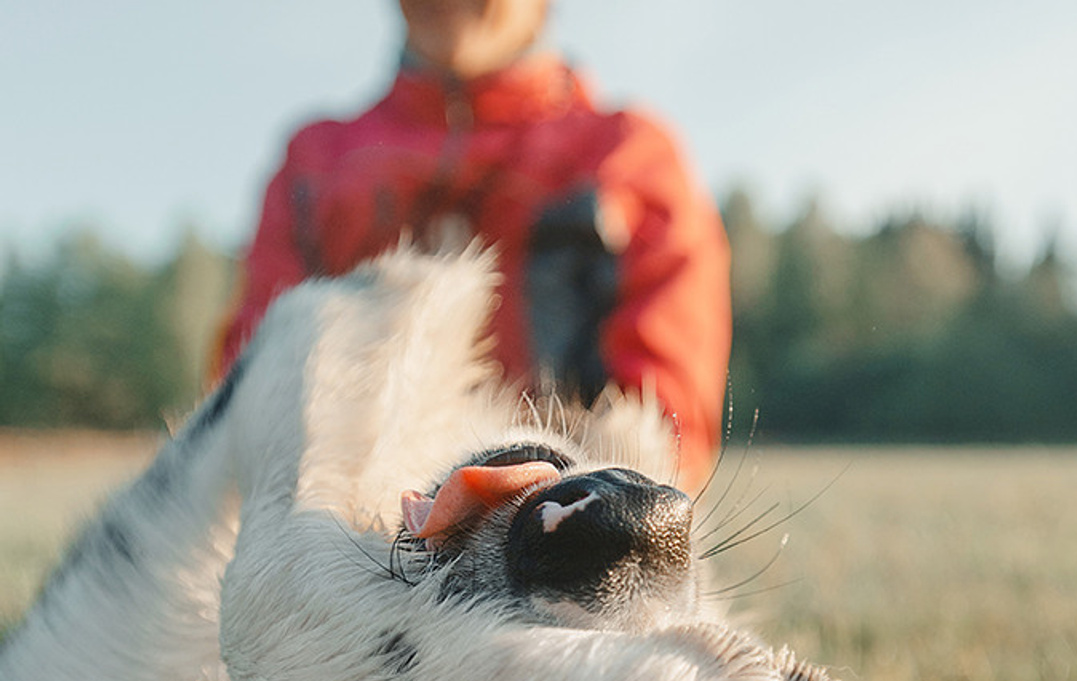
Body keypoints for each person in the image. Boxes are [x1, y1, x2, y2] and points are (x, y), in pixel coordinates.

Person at [213, 0, 731, 489]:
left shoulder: (630, 156)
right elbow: (248, 398)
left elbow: (668, 430)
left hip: (565, 542)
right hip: (349, 545)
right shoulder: (315, 162)